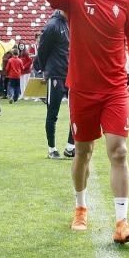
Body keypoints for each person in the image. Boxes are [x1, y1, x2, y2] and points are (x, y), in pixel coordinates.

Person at [30, 0, 129, 244]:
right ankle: (80, 208)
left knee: (118, 151)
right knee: (83, 151)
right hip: (81, 91)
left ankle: (122, 221)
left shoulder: (125, 4)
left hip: (114, 91)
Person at [39, 10, 75, 160]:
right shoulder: (52, 25)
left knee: (77, 112)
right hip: (55, 74)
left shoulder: (68, 24)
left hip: (69, 74)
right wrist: (45, 70)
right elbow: (42, 49)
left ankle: (70, 146)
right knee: (52, 112)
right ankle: (52, 148)